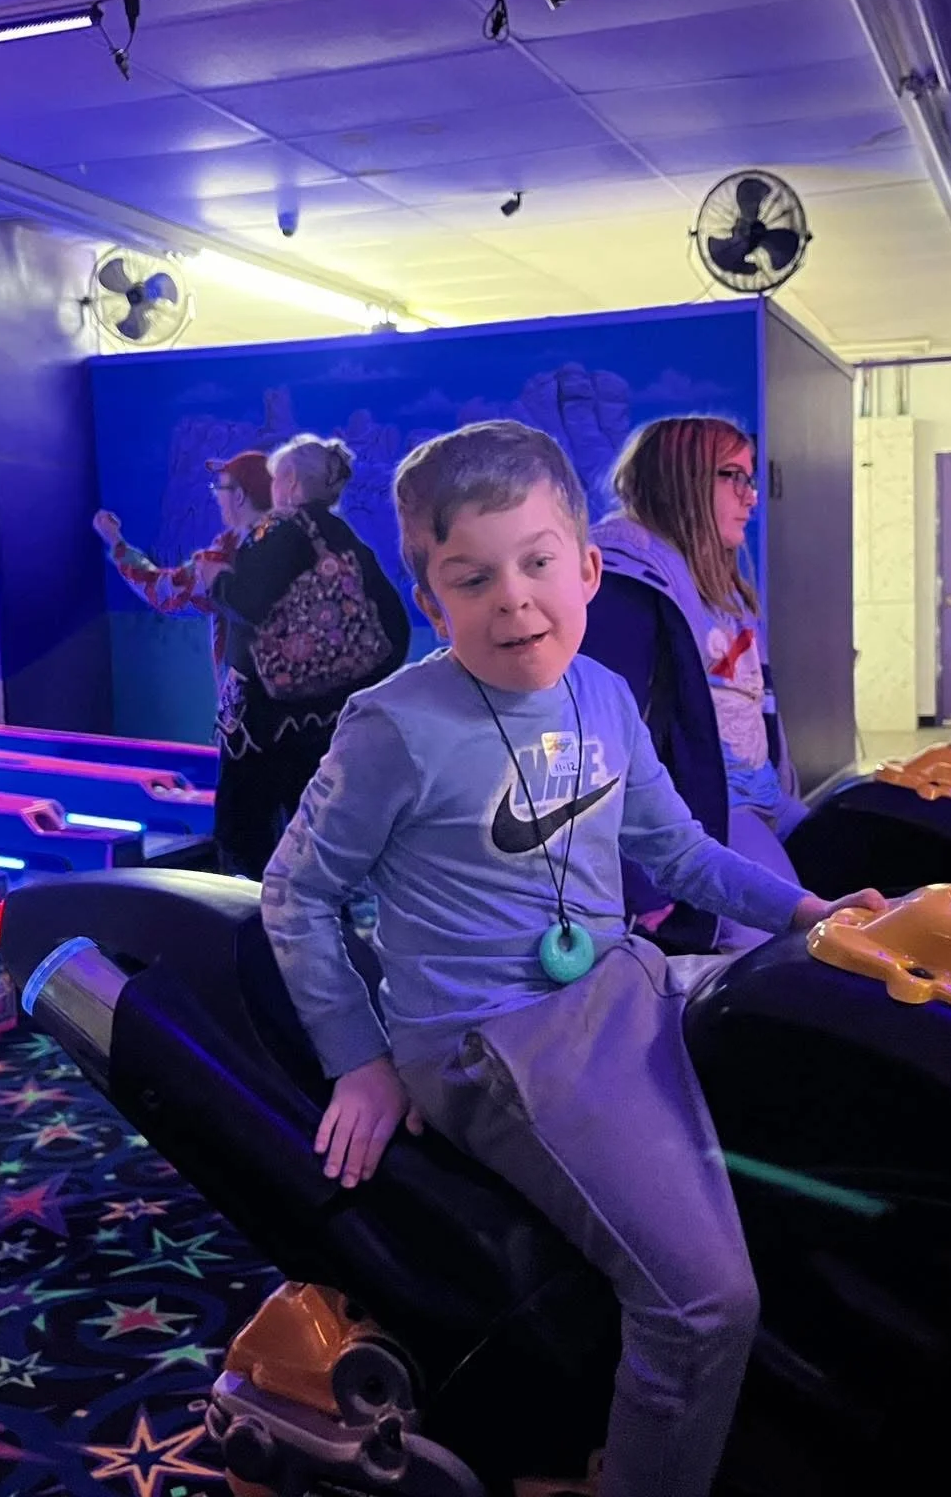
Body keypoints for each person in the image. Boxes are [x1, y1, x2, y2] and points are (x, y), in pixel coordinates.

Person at [261, 420, 884, 1497]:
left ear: (587, 566)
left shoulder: (600, 693)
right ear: (431, 598)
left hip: (617, 984)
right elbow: (297, 892)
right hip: (483, 1040)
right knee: (703, 1303)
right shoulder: (393, 727)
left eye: (538, 561)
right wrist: (361, 1059)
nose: (513, 598)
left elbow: (673, 850)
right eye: (472, 575)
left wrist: (806, 916)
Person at [584, 416, 808, 953]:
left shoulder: (717, 584)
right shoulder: (624, 590)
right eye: (733, 476)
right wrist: (640, 885)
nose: (750, 497)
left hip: (754, 809)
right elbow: (598, 747)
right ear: (679, 480)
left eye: (750, 478)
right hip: (702, 831)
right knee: (775, 964)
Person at [204, 434, 409, 878]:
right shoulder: (344, 538)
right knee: (316, 836)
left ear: (291, 481)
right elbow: (393, 628)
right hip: (326, 724)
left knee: (247, 837)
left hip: (262, 725)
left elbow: (248, 601)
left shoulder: (279, 529)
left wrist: (216, 580)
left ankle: (250, 931)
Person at [94, 446, 274, 672]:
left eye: (220, 487)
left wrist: (116, 542)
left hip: (248, 696)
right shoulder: (297, 536)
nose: (217, 496)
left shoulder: (224, 555)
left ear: (238, 496)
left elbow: (164, 591)